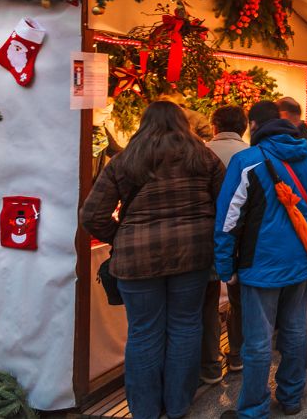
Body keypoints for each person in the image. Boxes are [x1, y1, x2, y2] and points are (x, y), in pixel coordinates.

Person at [82, 101, 224, 419]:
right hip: (193, 255)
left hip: (137, 260)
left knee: (144, 331)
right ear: (181, 123)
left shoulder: (125, 160)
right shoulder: (204, 156)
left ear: (144, 124)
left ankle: (145, 411)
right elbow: (226, 204)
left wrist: (119, 236)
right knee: (186, 327)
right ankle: (177, 406)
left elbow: (92, 215)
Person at [215, 100, 307, 418]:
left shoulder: (246, 161)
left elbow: (228, 221)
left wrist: (225, 267)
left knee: (258, 341)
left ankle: (254, 408)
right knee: (294, 331)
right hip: (301, 263)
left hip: (259, 265)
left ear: (253, 126)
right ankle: (291, 397)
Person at [202, 106, 250, 382]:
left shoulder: (200, 152)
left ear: (214, 125)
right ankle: (237, 354)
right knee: (238, 299)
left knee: (206, 301)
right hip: (240, 239)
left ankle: (208, 364)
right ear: (244, 126)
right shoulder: (250, 154)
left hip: (204, 235)